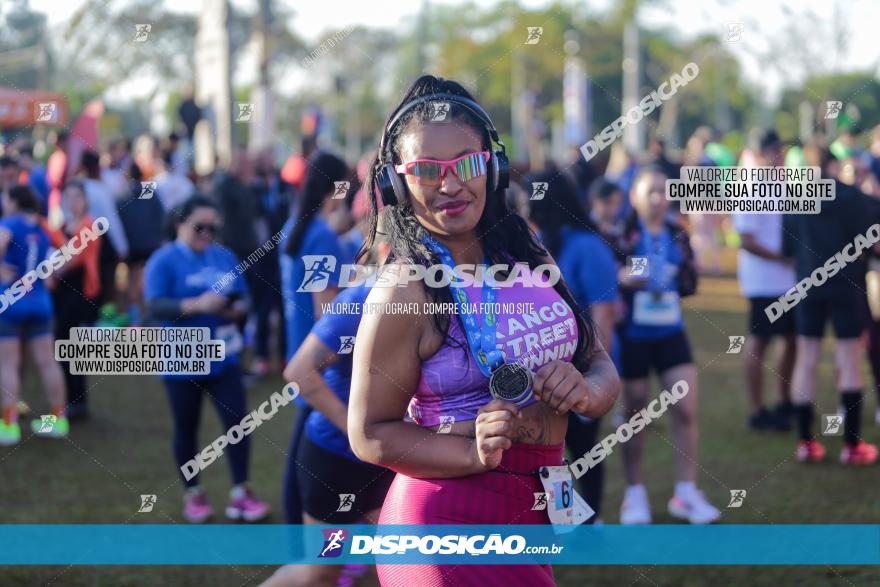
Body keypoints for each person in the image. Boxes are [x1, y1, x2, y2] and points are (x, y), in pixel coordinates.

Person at [348, 75, 620, 586]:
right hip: (445, 522)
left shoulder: (527, 252)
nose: (450, 185)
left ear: (491, 167)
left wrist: (586, 391)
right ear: (397, 183)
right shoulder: (403, 292)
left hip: (535, 504)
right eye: (428, 170)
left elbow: (600, 360)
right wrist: (471, 452)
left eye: (466, 164)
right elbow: (368, 433)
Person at [262, 233, 394, 587]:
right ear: (384, 252)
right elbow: (298, 372)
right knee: (320, 572)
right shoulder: (359, 300)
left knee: (404, 561)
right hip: (335, 460)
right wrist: (356, 429)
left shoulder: (437, 304)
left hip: (392, 459)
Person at [144, 195, 270, 522]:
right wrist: (197, 305)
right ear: (179, 223)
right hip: (182, 357)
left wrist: (234, 309)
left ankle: (241, 492)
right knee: (187, 427)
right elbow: (156, 306)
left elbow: (242, 299)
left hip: (223, 356)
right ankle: (193, 494)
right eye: (200, 226)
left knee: (238, 424)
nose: (206, 233)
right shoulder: (163, 260)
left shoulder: (224, 256)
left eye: (213, 227)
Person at [616, 167, 720, 525]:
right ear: (635, 197)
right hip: (633, 334)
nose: (659, 198)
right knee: (634, 415)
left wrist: (680, 276)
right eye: (651, 191)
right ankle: (634, 494)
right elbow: (609, 278)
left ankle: (686, 493)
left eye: (663, 190)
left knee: (686, 409)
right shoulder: (624, 233)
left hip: (670, 330)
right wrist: (624, 279)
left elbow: (690, 279)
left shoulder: (678, 232)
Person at [522, 170, 621, 524]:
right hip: (543, 374)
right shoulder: (535, 243)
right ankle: (566, 519)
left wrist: (595, 376)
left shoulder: (587, 246)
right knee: (552, 454)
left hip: (583, 371)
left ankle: (591, 520)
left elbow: (604, 314)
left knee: (585, 449)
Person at [782, 146, 880, 465]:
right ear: (833, 165)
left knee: (807, 359)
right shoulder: (853, 198)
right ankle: (852, 446)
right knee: (848, 359)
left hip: (807, 284)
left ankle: (805, 443)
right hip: (846, 286)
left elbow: (787, 248)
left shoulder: (795, 198)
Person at [279, 151, 350, 525]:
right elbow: (327, 312)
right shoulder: (322, 236)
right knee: (306, 455)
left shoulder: (296, 225)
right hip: (316, 359)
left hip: (296, 344)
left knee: (300, 449)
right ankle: (297, 536)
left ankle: (296, 530)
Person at [732, 130, 797, 431]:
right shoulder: (749, 185)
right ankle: (757, 410)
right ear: (762, 154)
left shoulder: (784, 184)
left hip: (789, 279)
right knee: (759, 343)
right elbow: (745, 240)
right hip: (762, 281)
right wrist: (780, 257)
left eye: (781, 151)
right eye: (775, 151)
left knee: (793, 340)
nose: (781, 157)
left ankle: (785, 402)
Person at [0, 186, 68, 445]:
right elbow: (52, 271)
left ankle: (8, 426)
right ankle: (57, 420)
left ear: (15, 201)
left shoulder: (10, 222)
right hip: (40, 302)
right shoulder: (41, 229)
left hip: (11, 300)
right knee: (48, 362)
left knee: (8, 363)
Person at [49, 181, 102, 420]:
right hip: (62, 292)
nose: (72, 202)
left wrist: (51, 271)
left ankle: (78, 402)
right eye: (68, 197)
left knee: (71, 345)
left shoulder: (88, 226)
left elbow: (73, 259)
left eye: (77, 197)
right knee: (62, 344)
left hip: (79, 292)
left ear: (85, 200)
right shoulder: (62, 226)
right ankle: (70, 399)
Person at [249, 149, 290, 376]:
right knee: (262, 309)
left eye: (267, 158)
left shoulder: (283, 186)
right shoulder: (251, 190)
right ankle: (261, 356)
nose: (265, 163)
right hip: (261, 259)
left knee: (285, 308)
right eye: (260, 160)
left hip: (282, 256)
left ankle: (285, 356)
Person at [117, 162, 165, 325]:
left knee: (131, 281)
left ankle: (135, 318)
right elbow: (161, 216)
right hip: (151, 244)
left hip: (132, 247)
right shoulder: (150, 191)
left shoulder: (122, 195)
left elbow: (119, 221)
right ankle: (150, 314)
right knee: (150, 279)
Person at [80, 150, 129, 305]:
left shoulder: (74, 187)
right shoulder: (100, 190)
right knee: (104, 283)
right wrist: (121, 247)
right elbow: (111, 220)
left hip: (77, 240)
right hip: (101, 243)